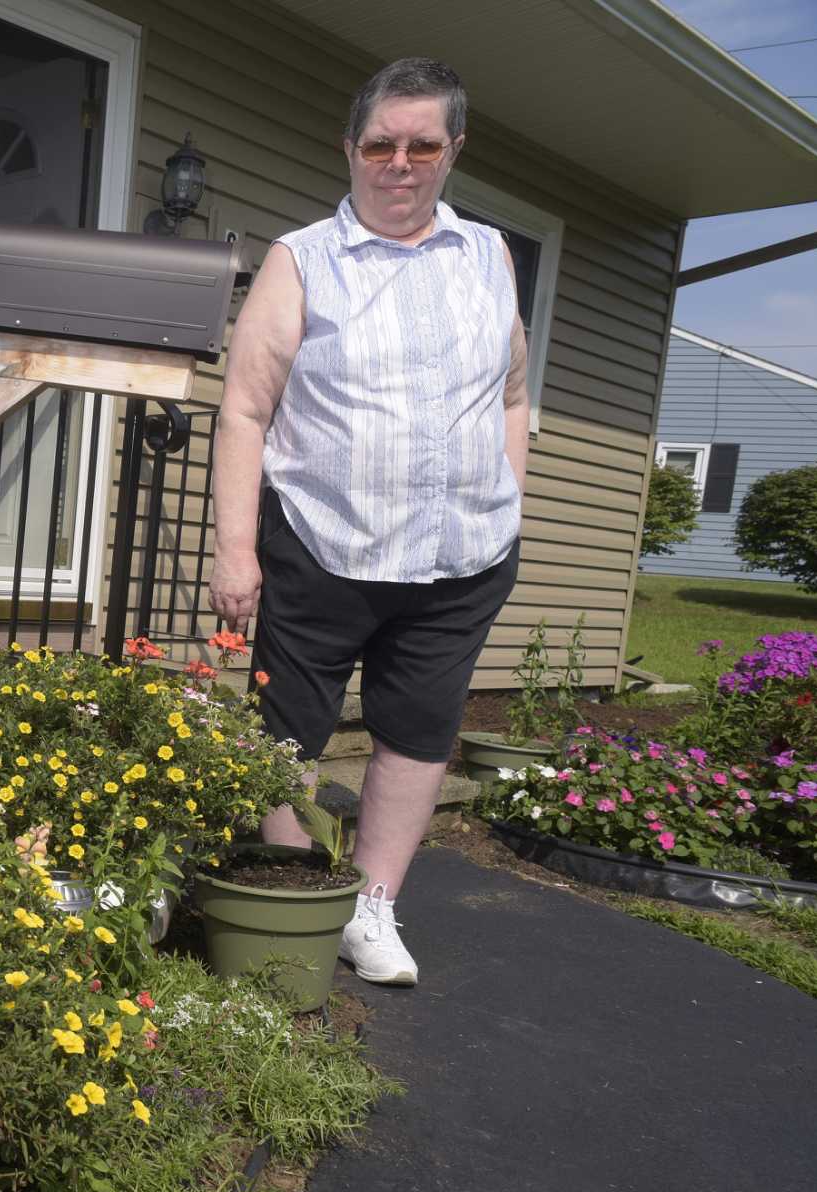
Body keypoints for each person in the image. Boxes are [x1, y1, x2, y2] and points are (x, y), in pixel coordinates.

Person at [208, 56, 527, 987]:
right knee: (287, 732)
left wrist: (506, 500)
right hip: (325, 544)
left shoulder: (489, 256)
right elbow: (245, 410)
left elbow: (512, 394)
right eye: (381, 143)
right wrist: (236, 548)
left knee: (419, 732)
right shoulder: (303, 259)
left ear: (452, 150)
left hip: (461, 558)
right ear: (350, 148)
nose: (399, 162)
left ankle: (371, 907)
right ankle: (291, 891)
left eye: (422, 145)